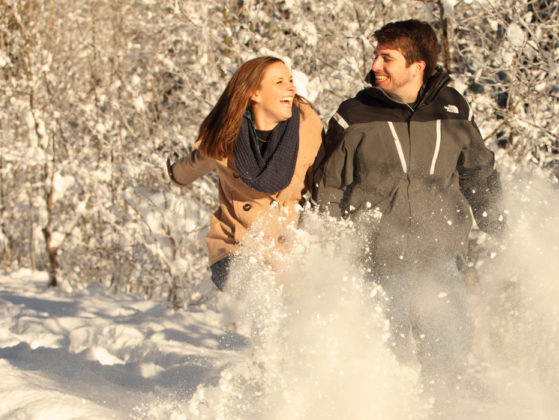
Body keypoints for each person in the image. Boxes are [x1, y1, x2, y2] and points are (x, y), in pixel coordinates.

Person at [312, 20, 503, 400]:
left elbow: (478, 173)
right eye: (376, 56)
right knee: (385, 372)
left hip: (439, 263)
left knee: (448, 370)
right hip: (377, 267)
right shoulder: (355, 114)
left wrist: (503, 226)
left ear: (417, 66)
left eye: (387, 58)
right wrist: (325, 249)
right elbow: (328, 187)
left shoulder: (453, 110)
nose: (376, 65)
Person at [167, 57, 323, 290]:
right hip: (234, 248)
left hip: (286, 251)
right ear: (255, 94)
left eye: (290, 80)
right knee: (261, 293)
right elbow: (193, 164)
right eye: (279, 82)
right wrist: (173, 174)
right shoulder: (226, 135)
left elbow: (325, 180)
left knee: (292, 308)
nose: (291, 87)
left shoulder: (307, 129)